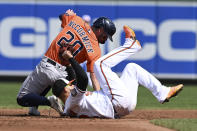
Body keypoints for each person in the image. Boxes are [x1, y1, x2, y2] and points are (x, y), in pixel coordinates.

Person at [51, 25, 183, 118]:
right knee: (100, 64)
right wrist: (71, 58)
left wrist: (67, 62)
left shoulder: (69, 106)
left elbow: (75, 80)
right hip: (116, 102)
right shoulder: (72, 99)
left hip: (122, 106)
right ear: (65, 90)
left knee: (132, 69)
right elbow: (83, 78)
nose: (72, 84)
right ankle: (131, 45)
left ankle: (163, 93)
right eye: (70, 84)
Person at [16, 9, 116, 116]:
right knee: (62, 87)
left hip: (48, 65)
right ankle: (34, 108)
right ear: (100, 29)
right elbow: (93, 75)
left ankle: (49, 101)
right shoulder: (96, 49)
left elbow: (62, 16)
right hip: (64, 75)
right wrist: (98, 95)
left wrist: (67, 14)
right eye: (106, 35)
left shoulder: (76, 20)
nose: (105, 39)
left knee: (22, 98)